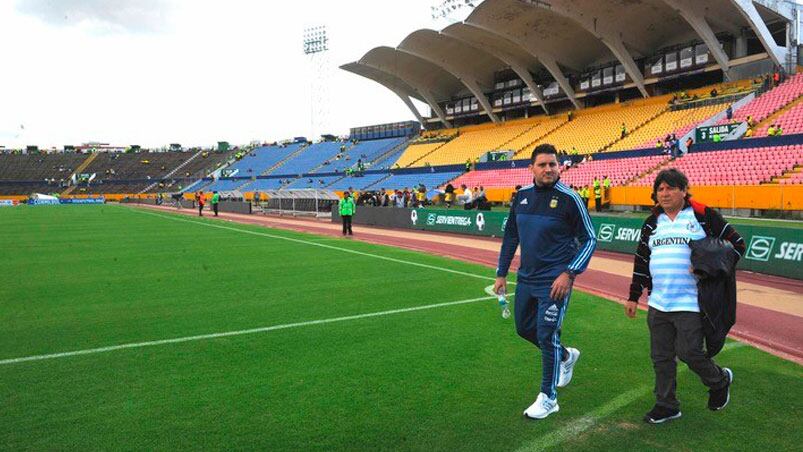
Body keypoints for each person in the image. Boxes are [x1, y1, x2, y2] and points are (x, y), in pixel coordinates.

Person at [626, 168, 745, 425]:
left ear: (683, 190)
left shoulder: (702, 215)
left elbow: (737, 244)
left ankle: (719, 380)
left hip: (691, 302)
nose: (665, 193)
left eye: (671, 188)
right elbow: (641, 260)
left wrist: (713, 268)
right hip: (658, 302)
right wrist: (634, 296)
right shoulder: (651, 222)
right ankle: (667, 405)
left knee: (690, 352)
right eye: (660, 189)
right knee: (661, 357)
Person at [495, 143, 597, 420]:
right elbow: (511, 237)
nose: (549, 169)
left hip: (555, 280)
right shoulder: (522, 197)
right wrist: (501, 273)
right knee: (523, 329)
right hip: (526, 277)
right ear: (532, 168)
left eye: (553, 164)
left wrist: (569, 272)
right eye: (542, 164)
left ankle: (549, 398)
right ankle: (565, 356)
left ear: (559, 166)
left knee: (546, 334)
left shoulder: (570, 198)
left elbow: (590, 238)